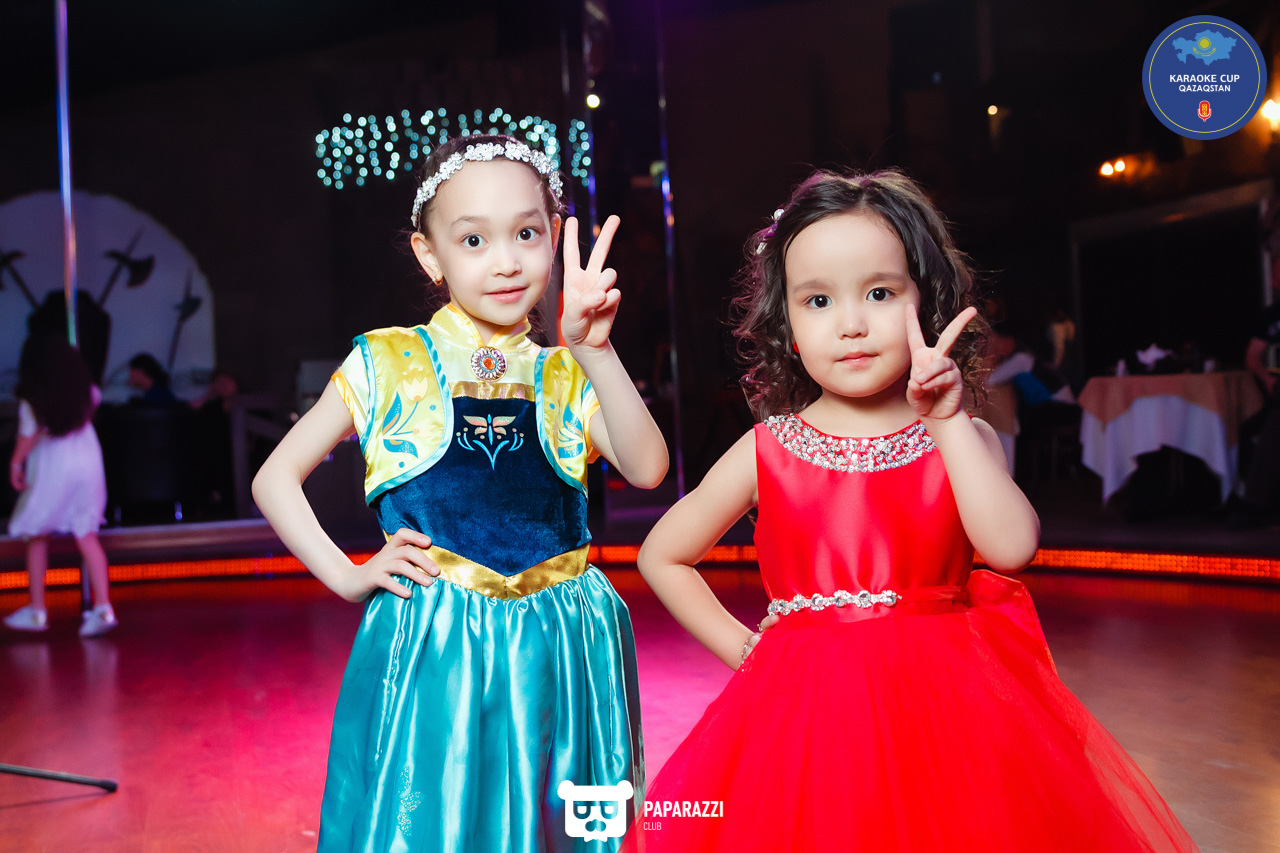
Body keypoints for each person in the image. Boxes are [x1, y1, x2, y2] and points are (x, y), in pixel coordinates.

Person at [624, 170, 1197, 852]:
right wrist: (745, 651)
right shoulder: (766, 448)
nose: (852, 323)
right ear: (789, 326)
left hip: (951, 713)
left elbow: (1013, 547)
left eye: (879, 292)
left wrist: (949, 423)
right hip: (809, 718)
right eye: (818, 300)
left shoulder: (962, 437)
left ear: (925, 305)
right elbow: (663, 553)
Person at [252, 134, 667, 851]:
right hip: (437, 643)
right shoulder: (388, 361)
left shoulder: (567, 372)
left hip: (560, 643)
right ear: (429, 254)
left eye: (527, 234)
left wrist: (595, 352)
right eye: (474, 239)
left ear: (553, 238)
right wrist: (347, 576)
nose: (505, 261)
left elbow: (648, 467)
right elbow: (275, 477)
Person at [4, 335, 117, 638]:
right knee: (87, 535)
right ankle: (104, 608)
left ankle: (37, 610)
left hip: (53, 467)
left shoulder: (34, 399)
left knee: (37, 534)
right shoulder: (87, 392)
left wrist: (15, 463)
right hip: (88, 463)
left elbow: (28, 436)